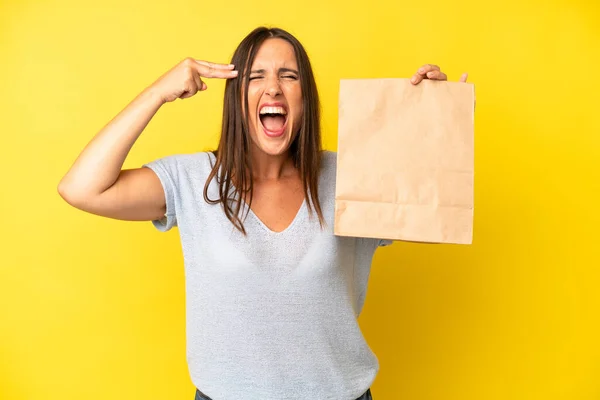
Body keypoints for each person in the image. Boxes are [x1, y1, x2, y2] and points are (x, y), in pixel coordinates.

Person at [58, 26, 469, 400]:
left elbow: (438, 210)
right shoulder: (195, 180)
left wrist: (434, 114)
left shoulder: (350, 177)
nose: (273, 87)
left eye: (288, 76)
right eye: (256, 76)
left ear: (305, 98)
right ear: (237, 100)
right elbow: (80, 188)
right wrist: (157, 93)